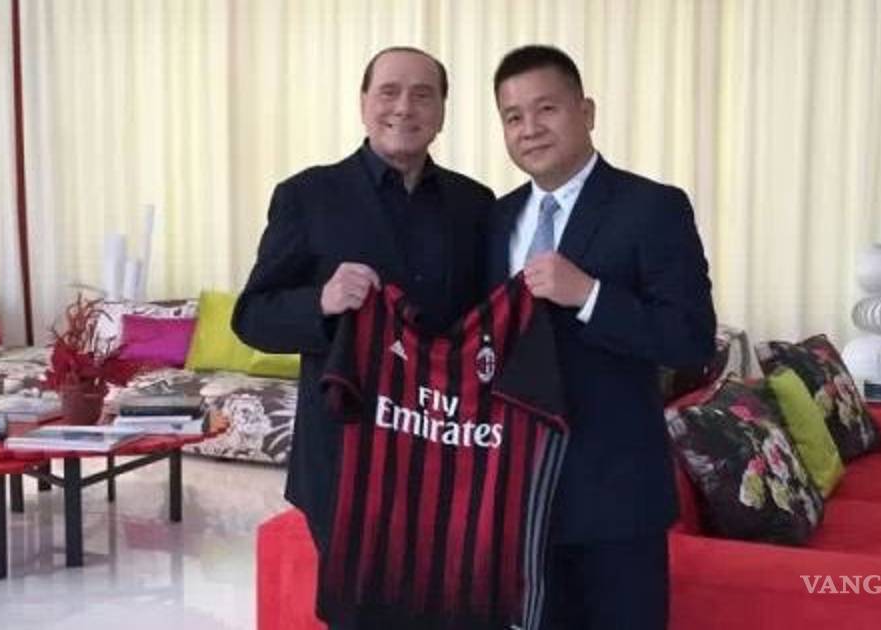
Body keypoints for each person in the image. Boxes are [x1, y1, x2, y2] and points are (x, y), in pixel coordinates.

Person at [232, 46, 493, 624]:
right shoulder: (307, 195)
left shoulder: (475, 204)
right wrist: (321, 302)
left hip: (445, 455)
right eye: (389, 91)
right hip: (345, 459)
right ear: (363, 103)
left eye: (423, 94)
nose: (404, 107)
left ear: (442, 111)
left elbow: (491, 325)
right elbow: (252, 316)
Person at [487, 45, 716, 628]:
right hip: (516, 500)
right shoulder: (495, 218)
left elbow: (691, 339)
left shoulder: (653, 208)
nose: (530, 128)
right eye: (513, 116)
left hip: (615, 501)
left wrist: (590, 295)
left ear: (586, 112)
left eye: (547, 109)